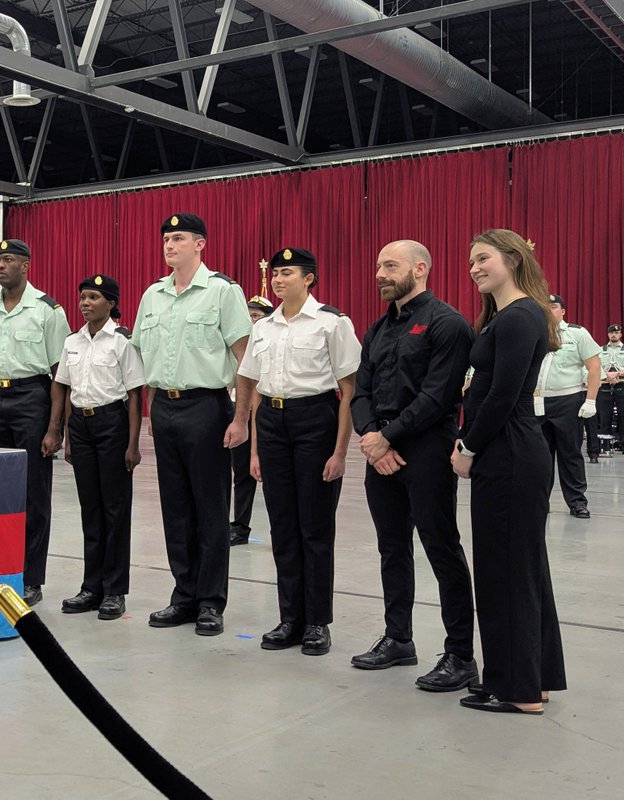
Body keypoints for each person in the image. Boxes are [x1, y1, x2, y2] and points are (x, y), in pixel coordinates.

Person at [349, 239, 478, 692]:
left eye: (390, 265)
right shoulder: (377, 328)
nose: (380, 273)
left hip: (426, 448)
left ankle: (461, 655)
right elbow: (360, 391)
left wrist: (388, 437)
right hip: (380, 450)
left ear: (419, 268)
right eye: (378, 266)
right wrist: (371, 438)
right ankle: (398, 639)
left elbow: (438, 396)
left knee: (441, 548)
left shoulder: (448, 323)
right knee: (392, 547)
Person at [452, 228, 567, 715]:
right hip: (511, 451)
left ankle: (518, 690)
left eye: (484, 258)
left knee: (506, 571)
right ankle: (529, 680)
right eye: (471, 260)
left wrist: (468, 446)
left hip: (510, 452)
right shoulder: (508, 316)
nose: (475, 267)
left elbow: (502, 393)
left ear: (513, 259)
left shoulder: (520, 316)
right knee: (521, 568)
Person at [237, 248, 361, 657]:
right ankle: (290, 617)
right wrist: (255, 450)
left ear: (309, 278)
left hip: (315, 421)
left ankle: (316, 622)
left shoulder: (331, 322)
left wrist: (341, 452)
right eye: (275, 273)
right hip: (272, 423)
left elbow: (348, 392)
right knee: (282, 528)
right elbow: (253, 390)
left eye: (287, 273)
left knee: (315, 527)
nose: (277, 280)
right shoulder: (264, 327)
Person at [132, 213, 251, 637]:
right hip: (165, 406)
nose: (169, 245)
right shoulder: (153, 295)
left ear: (200, 244)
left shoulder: (222, 292)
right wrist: (150, 413)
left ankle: (210, 601)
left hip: (207, 408)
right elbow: (143, 357)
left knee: (210, 508)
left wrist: (241, 417)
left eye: (178, 238)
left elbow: (244, 358)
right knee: (176, 508)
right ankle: (183, 594)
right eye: (166, 238)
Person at [0, 241, 72, 606]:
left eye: (8, 260)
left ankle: (30, 578)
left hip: (32, 398)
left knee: (33, 493)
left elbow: (60, 374)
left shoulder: (47, 310)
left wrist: (55, 427)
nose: (1, 266)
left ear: (26, 265)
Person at [52, 274, 144, 621]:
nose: (85, 303)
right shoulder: (72, 342)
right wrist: (65, 435)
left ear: (111, 303)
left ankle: (115, 590)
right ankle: (91, 587)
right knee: (90, 509)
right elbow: (63, 387)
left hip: (113, 426)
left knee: (114, 510)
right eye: (82, 297)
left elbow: (135, 394)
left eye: (93, 297)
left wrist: (133, 444)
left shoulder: (122, 342)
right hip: (82, 425)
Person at [535, 294, 599, 513]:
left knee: (569, 453)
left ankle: (577, 502)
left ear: (562, 311)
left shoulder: (577, 334)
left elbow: (594, 368)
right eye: (545, 306)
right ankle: (539, 503)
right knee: (539, 457)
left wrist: (590, 400)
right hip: (537, 401)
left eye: (553, 306)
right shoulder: (533, 332)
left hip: (568, 400)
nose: (548, 310)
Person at [231, 296, 274, 546]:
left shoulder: (267, 342)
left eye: (256, 316)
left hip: (261, 413)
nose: (251, 320)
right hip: (236, 411)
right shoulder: (236, 343)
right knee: (240, 474)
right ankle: (239, 524)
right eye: (249, 315)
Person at [599, 324, 624, 448]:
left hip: (622, 384)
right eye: (611, 333)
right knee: (605, 416)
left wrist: (618, 373)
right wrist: (607, 375)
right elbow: (595, 366)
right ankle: (605, 446)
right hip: (605, 385)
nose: (614, 335)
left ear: (620, 334)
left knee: (623, 414)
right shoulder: (601, 350)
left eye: (616, 332)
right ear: (608, 334)